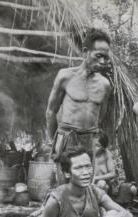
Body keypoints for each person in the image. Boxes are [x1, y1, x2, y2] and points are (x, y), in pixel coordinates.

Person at [45, 29, 112, 182]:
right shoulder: (65, 76)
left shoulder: (105, 85)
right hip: (67, 137)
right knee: (64, 183)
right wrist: (53, 142)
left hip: (89, 139)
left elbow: (100, 116)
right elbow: (51, 112)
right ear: (85, 52)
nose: (102, 62)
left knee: (85, 182)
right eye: (98, 56)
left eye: (106, 58)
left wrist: (91, 137)